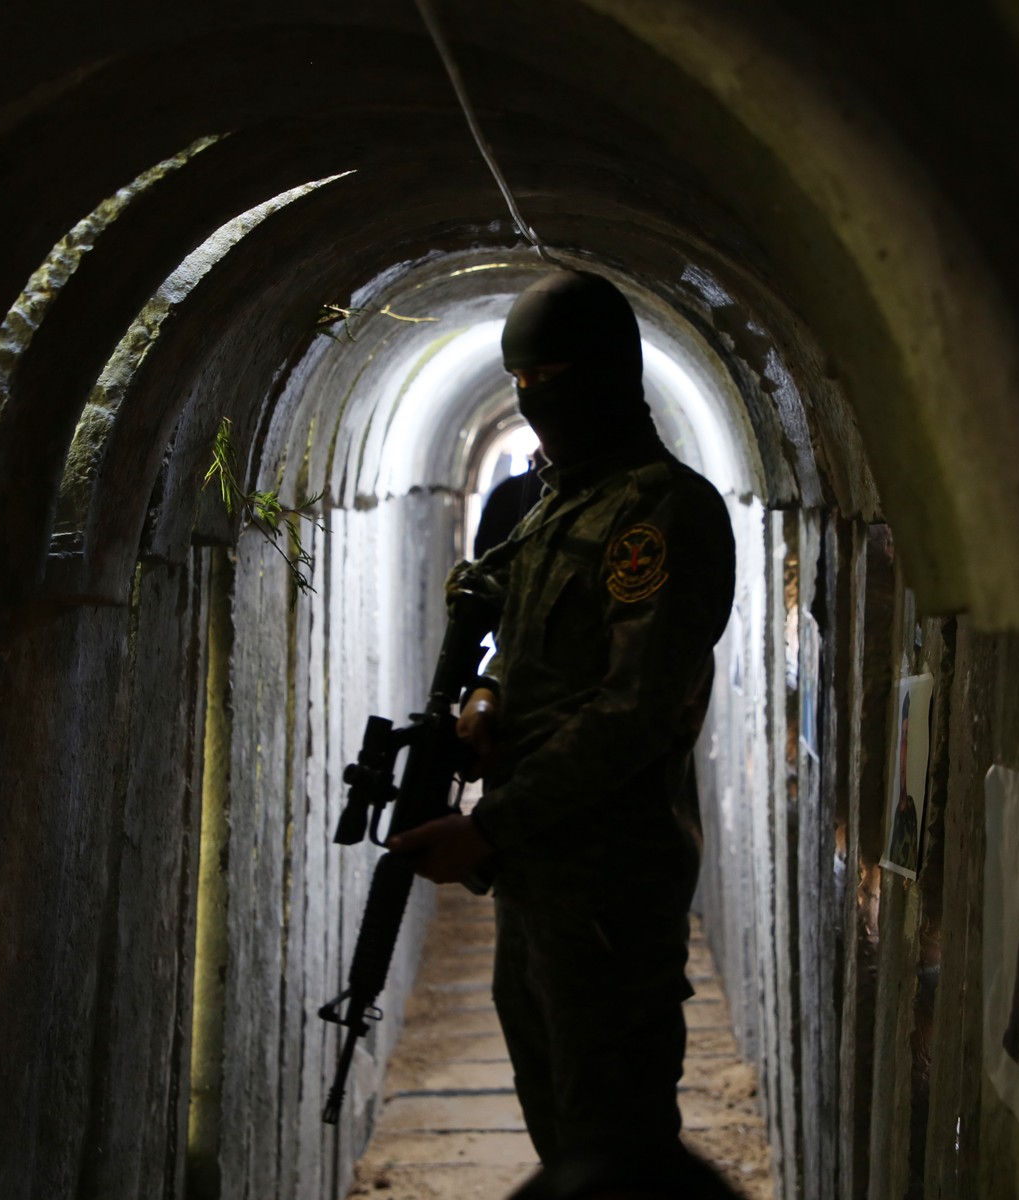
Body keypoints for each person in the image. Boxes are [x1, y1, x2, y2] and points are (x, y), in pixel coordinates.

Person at [387, 270, 739, 1196]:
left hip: (610, 893)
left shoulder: (659, 513)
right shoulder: (557, 508)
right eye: (523, 383)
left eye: (552, 380)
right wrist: (490, 699)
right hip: (541, 880)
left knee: (618, 1149)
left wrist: (488, 830)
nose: (535, 403)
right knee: (559, 1132)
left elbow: (637, 709)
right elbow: (529, 643)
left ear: (606, 378)